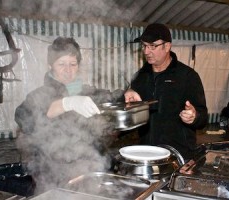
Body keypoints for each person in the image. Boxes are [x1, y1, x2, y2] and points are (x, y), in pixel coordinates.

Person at [15, 37, 122, 193]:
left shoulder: (86, 92)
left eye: (73, 64)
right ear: (50, 65)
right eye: (62, 64)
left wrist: (128, 95)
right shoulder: (39, 95)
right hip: (53, 175)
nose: (68, 70)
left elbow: (111, 98)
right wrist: (66, 103)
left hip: (87, 170)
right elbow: (23, 117)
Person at [124, 23, 208, 160]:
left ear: (167, 46)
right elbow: (132, 116)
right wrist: (128, 99)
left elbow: (203, 118)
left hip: (178, 156)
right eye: (144, 46)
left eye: (152, 46)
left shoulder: (187, 76)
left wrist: (194, 116)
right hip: (146, 155)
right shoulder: (140, 77)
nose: (146, 51)